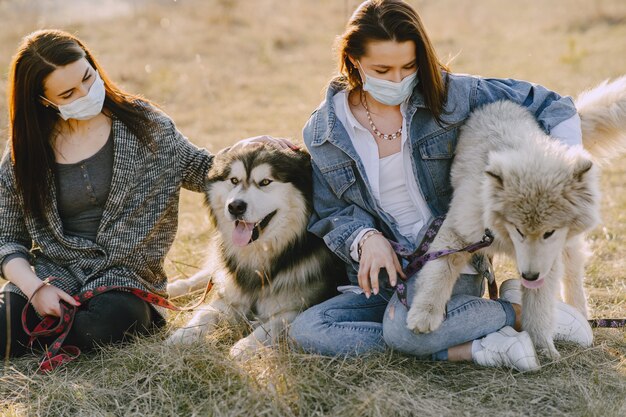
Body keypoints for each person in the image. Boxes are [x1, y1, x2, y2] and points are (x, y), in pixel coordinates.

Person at [289, 0, 592, 372]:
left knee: (404, 331)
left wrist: (563, 175)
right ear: (353, 61)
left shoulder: (453, 95)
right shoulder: (324, 132)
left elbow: (553, 105)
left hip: (448, 260)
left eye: (409, 66)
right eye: (382, 70)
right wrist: (364, 238)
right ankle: (479, 342)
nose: (399, 80)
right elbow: (330, 211)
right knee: (308, 329)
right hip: (383, 272)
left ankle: (515, 313)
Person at [0, 29, 292, 360]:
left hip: (124, 282)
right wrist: (35, 289)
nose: (86, 93)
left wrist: (243, 149)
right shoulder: (23, 155)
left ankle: (60, 332)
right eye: (68, 94)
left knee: (105, 323)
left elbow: (203, 170)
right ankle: (49, 328)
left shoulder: (146, 125)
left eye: (88, 78)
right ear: (44, 102)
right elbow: (7, 240)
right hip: (54, 276)